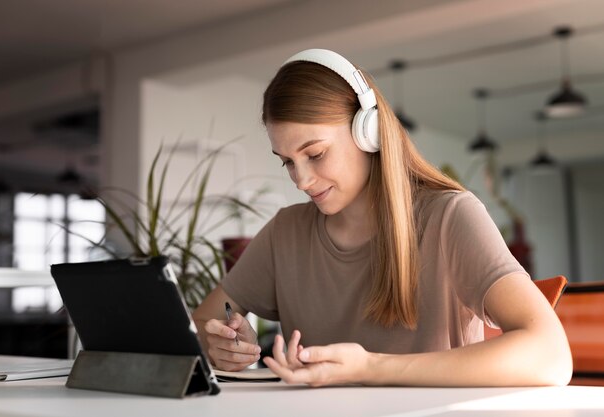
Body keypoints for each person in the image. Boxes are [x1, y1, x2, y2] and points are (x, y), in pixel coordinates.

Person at [193, 49, 572, 387]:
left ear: (368, 131)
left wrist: (369, 367)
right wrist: (222, 344)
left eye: (316, 153)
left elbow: (551, 356)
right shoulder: (285, 232)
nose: (301, 180)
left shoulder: (450, 216)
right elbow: (199, 325)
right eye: (288, 163)